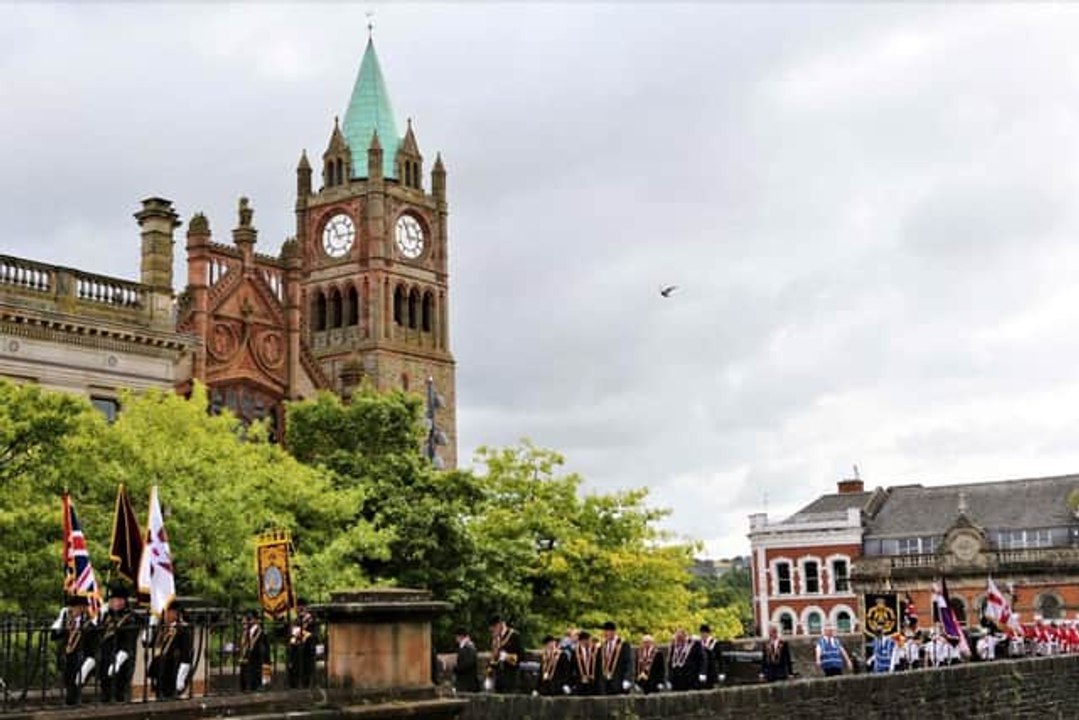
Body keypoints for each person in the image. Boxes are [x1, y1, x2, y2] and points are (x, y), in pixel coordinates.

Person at [97, 582, 140, 703]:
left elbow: (129, 642)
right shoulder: (106, 616)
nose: (112, 602)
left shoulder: (131, 617)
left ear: (123, 601)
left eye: (115, 599)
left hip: (122, 662)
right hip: (105, 660)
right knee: (105, 694)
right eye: (111, 600)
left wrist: (117, 661)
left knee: (119, 694)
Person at [50, 595, 96, 706]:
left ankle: (73, 703)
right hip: (67, 656)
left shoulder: (89, 623)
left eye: (77, 608)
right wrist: (60, 620)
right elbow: (54, 636)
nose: (73, 610)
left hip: (81, 657)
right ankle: (71, 702)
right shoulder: (66, 621)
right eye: (72, 608)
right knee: (68, 682)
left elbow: (93, 645)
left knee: (76, 683)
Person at [151, 600, 193, 700]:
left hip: (173, 669)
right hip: (160, 669)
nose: (165, 615)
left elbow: (186, 654)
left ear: (175, 613)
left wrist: (181, 677)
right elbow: (149, 643)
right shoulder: (162, 628)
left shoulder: (182, 629)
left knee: (170, 698)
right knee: (160, 697)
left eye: (167, 612)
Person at [485, 615, 523, 693]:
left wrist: (507, 657)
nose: (493, 631)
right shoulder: (496, 638)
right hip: (499, 679)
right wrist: (489, 674)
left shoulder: (514, 635)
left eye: (494, 628)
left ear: (499, 625)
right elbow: (493, 657)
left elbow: (522, 656)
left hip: (511, 678)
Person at [287, 599, 318, 689]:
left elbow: (314, 634)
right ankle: (294, 684)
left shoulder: (311, 619)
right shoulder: (296, 620)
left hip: (307, 647)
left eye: (301, 607)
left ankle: (305, 684)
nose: (299, 610)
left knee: (306, 668)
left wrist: (304, 635)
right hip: (295, 648)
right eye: (298, 607)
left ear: (305, 608)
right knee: (294, 667)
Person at [239, 609, 270, 692]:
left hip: (257, 659)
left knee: (256, 677)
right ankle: (247, 687)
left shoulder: (260, 632)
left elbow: (264, 648)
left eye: (250, 619)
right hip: (249, 658)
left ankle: (257, 686)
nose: (248, 621)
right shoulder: (247, 631)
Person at [597, 620, 632, 695]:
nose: (605, 634)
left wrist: (627, 679)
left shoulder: (623, 645)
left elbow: (628, 662)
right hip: (605, 684)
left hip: (618, 681)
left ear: (613, 632)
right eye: (604, 631)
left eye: (607, 631)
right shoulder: (602, 646)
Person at [570, 630, 599, 695]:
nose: (590, 642)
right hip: (580, 682)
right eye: (588, 640)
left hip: (593, 683)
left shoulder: (596, 650)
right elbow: (572, 668)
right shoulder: (575, 652)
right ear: (582, 641)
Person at [452, 627, 479, 693]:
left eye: (456, 637)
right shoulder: (466, 646)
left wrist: (456, 668)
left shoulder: (468, 647)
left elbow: (467, 664)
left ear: (461, 636)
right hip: (465, 681)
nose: (456, 639)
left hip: (467, 682)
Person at [699, 624, 719, 689]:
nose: (703, 635)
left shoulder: (714, 642)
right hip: (702, 669)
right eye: (701, 633)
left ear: (708, 633)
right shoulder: (699, 643)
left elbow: (719, 657)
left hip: (712, 668)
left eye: (704, 633)